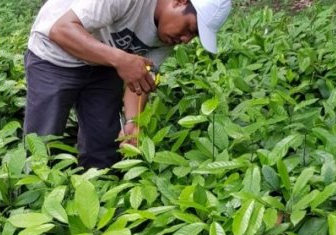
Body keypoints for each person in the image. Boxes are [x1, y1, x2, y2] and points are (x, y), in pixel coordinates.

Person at [24, 0, 232, 168]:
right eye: (189, 28)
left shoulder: (167, 36)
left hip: (104, 63)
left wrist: (133, 122)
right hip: (54, 56)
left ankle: (94, 202)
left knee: (104, 147)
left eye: (193, 37)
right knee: (42, 143)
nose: (186, 40)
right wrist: (121, 60)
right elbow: (60, 30)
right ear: (179, 2)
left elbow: (140, 79)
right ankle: (30, 206)